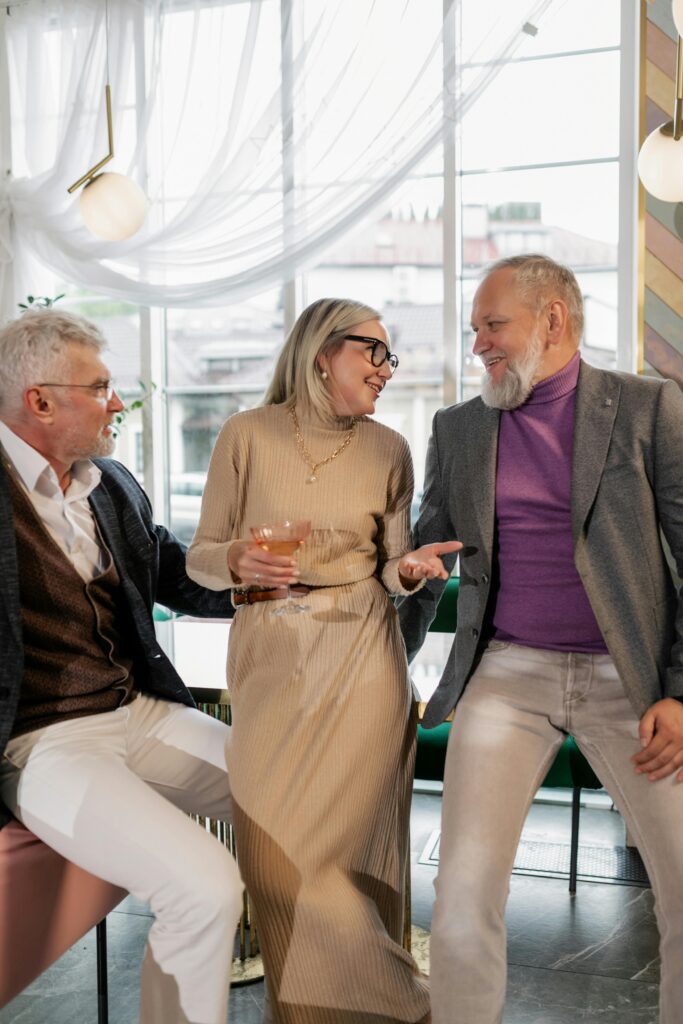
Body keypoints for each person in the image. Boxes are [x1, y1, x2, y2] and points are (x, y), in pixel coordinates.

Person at [398, 253, 683, 1024]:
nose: (478, 346)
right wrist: (408, 591)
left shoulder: (647, 409)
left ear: (551, 319)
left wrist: (678, 694)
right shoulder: (456, 428)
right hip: (507, 672)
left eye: (492, 325)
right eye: (473, 330)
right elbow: (430, 549)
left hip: (631, 681)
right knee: (460, 893)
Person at [187, 297, 459, 1024]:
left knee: (346, 856)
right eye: (373, 351)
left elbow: (393, 564)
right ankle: (400, 1003)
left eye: (388, 356)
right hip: (268, 652)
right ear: (320, 352)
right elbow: (201, 557)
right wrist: (236, 558)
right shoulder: (245, 435)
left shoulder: (388, 449)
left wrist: (407, 574)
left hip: (363, 658)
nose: (385, 369)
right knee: (274, 860)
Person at [0, 309, 243, 1024]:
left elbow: (176, 575)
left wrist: (250, 578)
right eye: (100, 386)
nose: (117, 403)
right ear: (39, 401)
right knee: (204, 886)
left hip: (138, 712)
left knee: (289, 796)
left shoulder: (109, 483)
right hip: (43, 742)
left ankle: (316, 984)